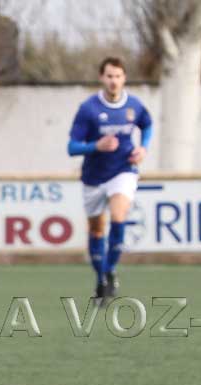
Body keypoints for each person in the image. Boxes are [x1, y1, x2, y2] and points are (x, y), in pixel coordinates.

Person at [67, 56, 152, 300]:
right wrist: (96, 146)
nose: (114, 81)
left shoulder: (134, 106)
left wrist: (143, 148)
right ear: (101, 78)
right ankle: (101, 278)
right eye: (109, 76)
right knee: (96, 230)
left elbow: (147, 125)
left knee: (118, 216)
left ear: (124, 78)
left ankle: (110, 268)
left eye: (118, 76)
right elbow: (72, 147)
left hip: (123, 170)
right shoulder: (89, 109)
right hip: (94, 176)